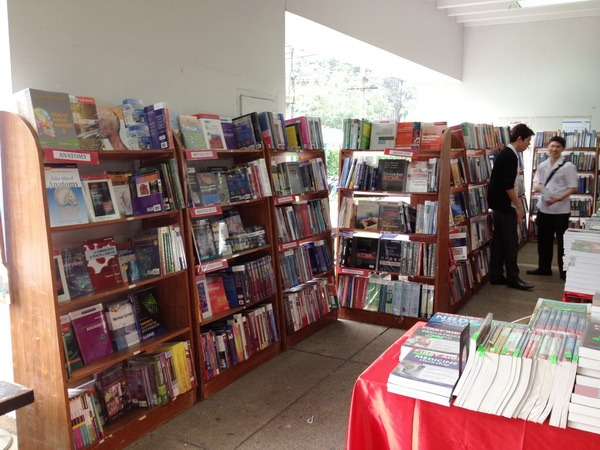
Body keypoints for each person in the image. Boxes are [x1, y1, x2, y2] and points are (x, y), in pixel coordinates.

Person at [487, 123, 535, 291]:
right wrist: (519, 207)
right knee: (510, 243)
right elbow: (508, 185)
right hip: (505, 206)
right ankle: (513, 278)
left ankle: (496, 275)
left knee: (500, 242)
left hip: (498, 205)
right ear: (519, 139)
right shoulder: (510, 156)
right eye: (527, 141)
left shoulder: (507, 153)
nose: (528, 145)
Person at [527, 135, 577, 280]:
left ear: (563, 149)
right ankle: (544, 268)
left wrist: (557, 198)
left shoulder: (568, 166)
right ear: (548, 147)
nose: (554, 149)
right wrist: (539, 187)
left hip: (561, 211)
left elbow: (573, 187)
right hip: (544, 209)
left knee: (562, 243)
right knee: (543, 241)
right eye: (552, 146)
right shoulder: (542, 165)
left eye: (558, 147)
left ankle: (564, 272)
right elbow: (536, 182)